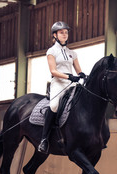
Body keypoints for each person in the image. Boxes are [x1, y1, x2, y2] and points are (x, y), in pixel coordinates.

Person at [38, 21, 86, 154]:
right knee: (54, 105)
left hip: (71, 84)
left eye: (66, 32)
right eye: (61, 33)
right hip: (58, 83)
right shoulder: (51, 51)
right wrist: (68, 76)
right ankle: (44, 139)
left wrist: (82, 75)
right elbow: (53, 71)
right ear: (55, 35)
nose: (65, 35)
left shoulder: (72, 53)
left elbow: (78, 70)